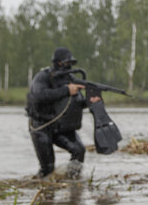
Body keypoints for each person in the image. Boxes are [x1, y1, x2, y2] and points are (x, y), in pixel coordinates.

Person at [27, 47, 99, 179]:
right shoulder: (42, 77)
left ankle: (72, 182)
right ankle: (42, 189)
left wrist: (91, 101)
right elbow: (39, 95)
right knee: (48, 168)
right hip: (41, 126)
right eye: (65, 63)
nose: (68, 66)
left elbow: (78, 102)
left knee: (79, 150)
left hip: (60, 127)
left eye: (71, 63)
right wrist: (66, 90)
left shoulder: (70, 79)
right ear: (57, 63)